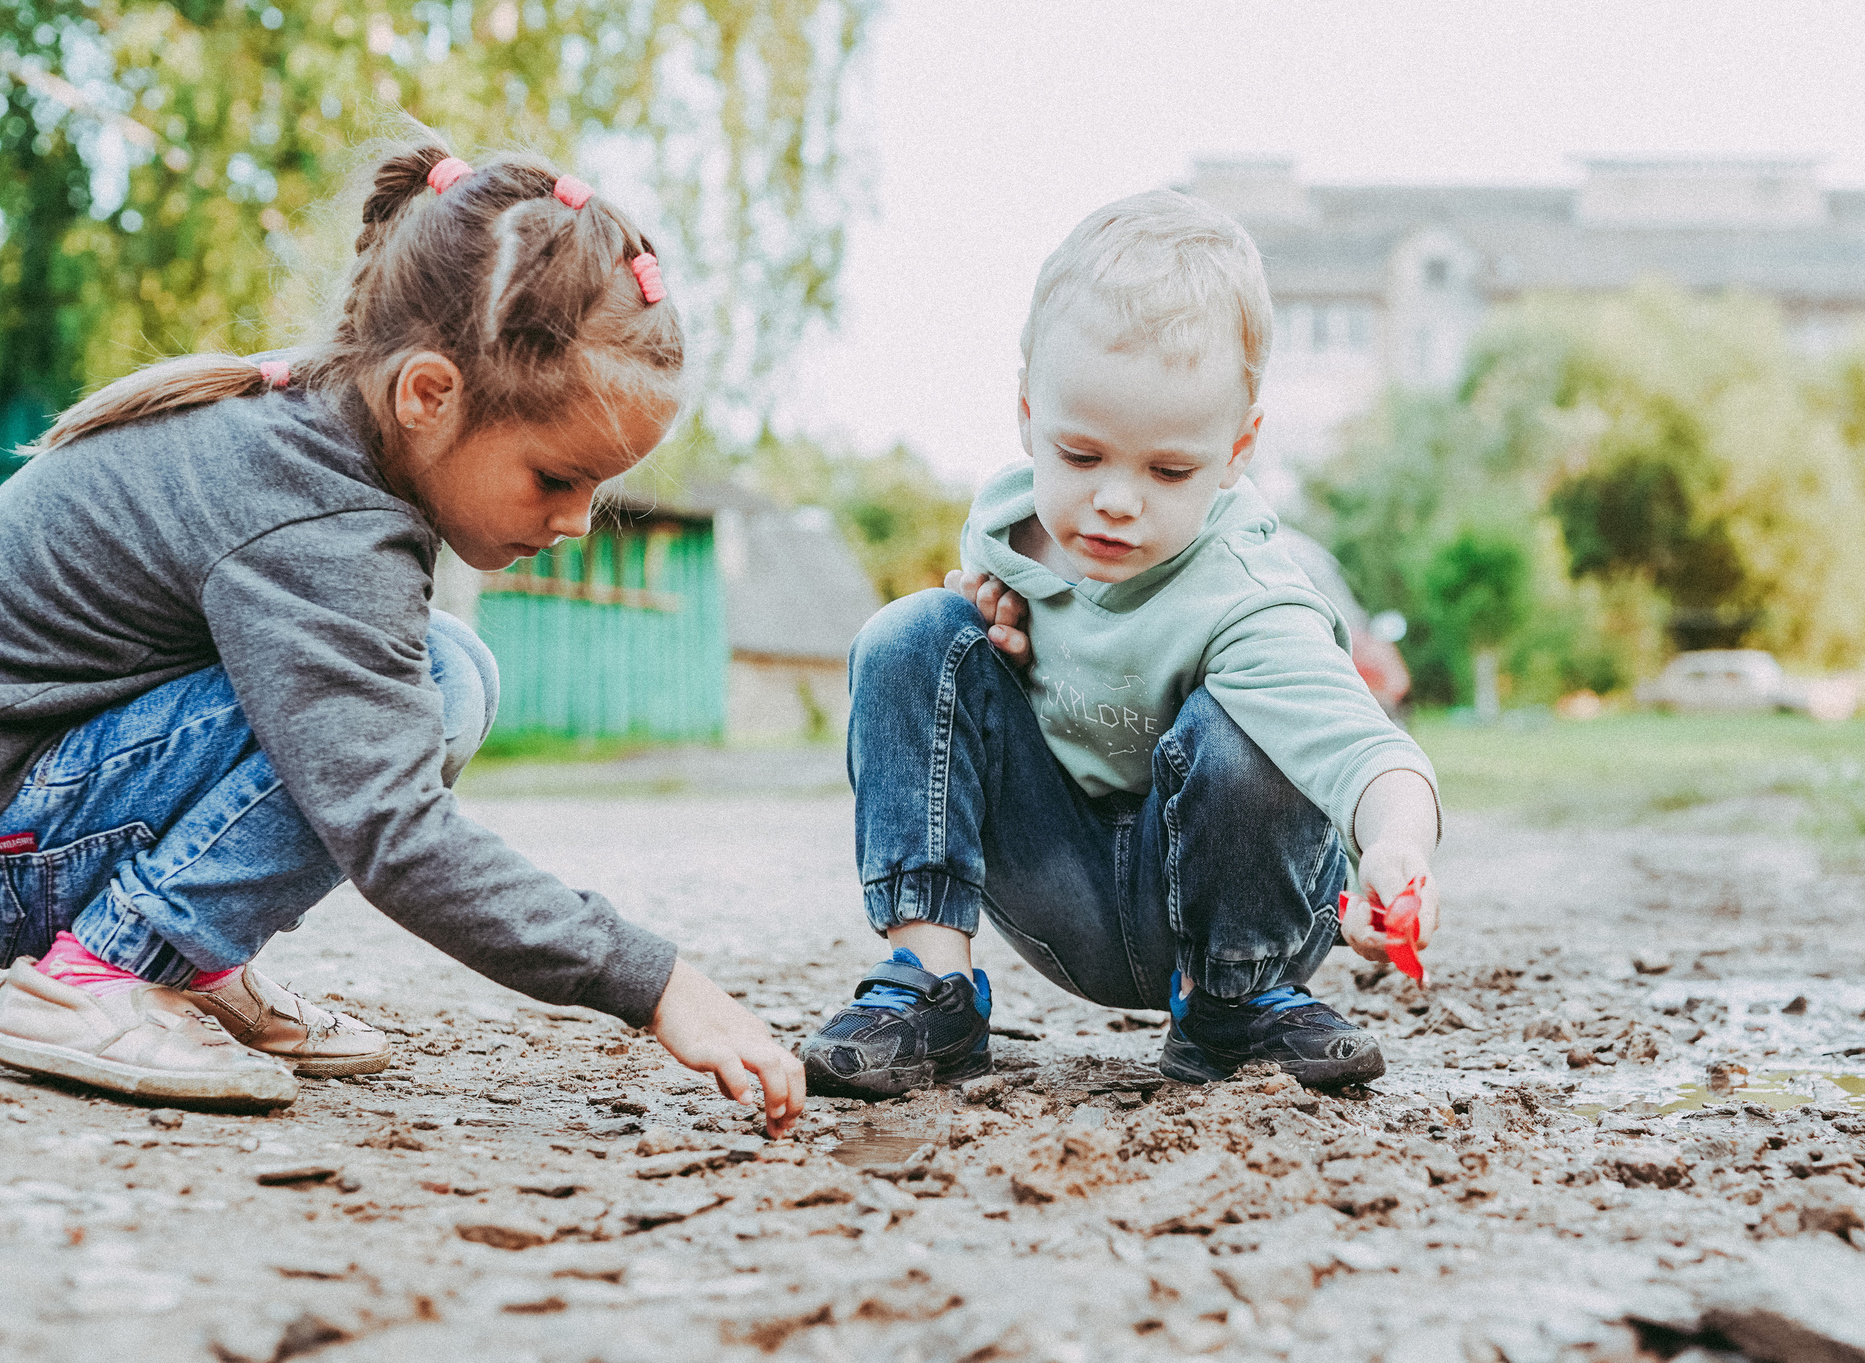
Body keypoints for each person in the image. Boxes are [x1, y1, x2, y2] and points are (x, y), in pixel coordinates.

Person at [0, 137, 803, 1131]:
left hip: (42, 815)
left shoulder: (311, 428)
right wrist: (658, 982)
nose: (575, 523)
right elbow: (393, 830)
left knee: (445, 668)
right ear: (429, 395)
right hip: (17, 850)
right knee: (427, 680)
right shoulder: (316, 519)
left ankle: (183, 959)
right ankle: (104, 972)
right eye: (557, 477)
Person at [804, 190, 1440, 1099]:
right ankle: (930, 986)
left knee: (1247, 719)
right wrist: (1005, 669)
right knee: (912, 634)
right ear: (1029, 415)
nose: (1115, 499)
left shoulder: (1249, 595)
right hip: (1073, 896)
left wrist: (1397, 848)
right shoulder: (1005, 543)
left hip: (1234, 907)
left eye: (1168, 470)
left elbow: (1369, 751)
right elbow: (964, 713)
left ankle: (1237, 1003)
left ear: (1237, 450)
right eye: (1081, 454)